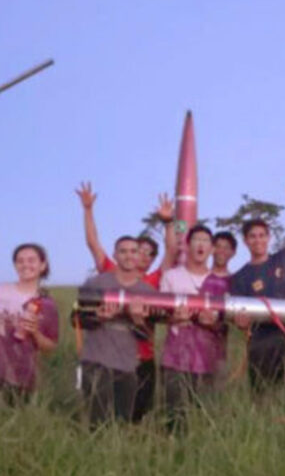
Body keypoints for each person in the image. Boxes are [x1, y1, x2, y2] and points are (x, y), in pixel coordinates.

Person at [76, 182, 177, 421]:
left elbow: (171, 250)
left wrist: (168, 222)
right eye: (129, 251)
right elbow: (93, 243)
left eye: (144, 253)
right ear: (117, 254)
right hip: (104, 358)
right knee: (98, 414)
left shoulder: (152, 283)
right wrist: (88, 210)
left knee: (133, 417)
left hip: (141, 359)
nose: (137, 256)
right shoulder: (107, 274)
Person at [228, 183, 285, 393]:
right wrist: (242, 325)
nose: (258, 240)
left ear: (269, 237)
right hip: (260, 347)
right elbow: (239, 321)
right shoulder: (239, 278)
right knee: (265, 400)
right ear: (245, 241)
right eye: (253, 236)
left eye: (262, 235)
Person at [0, 243, 59, 413]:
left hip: (22, 377)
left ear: (42, 265)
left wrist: (35, 332)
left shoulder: (47, 304)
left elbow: (50, 347)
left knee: (15, 425)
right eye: (20, 261)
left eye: (31, 260)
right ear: (15, 265)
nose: (25, 265)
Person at [76, 236, 155, 424]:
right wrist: (98, 318)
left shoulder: (147, 292)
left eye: (133, 251)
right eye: (123, 251)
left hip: (127, 366)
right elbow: (76, 319)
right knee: (97, 422)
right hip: (95, 363)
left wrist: (137, 321)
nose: (129, 256)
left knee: (122, 422)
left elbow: (147, 336)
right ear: (115, 255)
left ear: (140, 256)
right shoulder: (96, 284)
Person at [159, 225, 228, 429]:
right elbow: (161, 314)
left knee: (206, 416)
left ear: (212, 249)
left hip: (209, 356)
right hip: (176, 355)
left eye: (206, 241)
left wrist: (213, 323)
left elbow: (227, 322)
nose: (201, 244)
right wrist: (173, 318)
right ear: (187, 245)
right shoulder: (171, 276)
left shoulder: (223, 283)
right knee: (175, 414)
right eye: (196, 240)